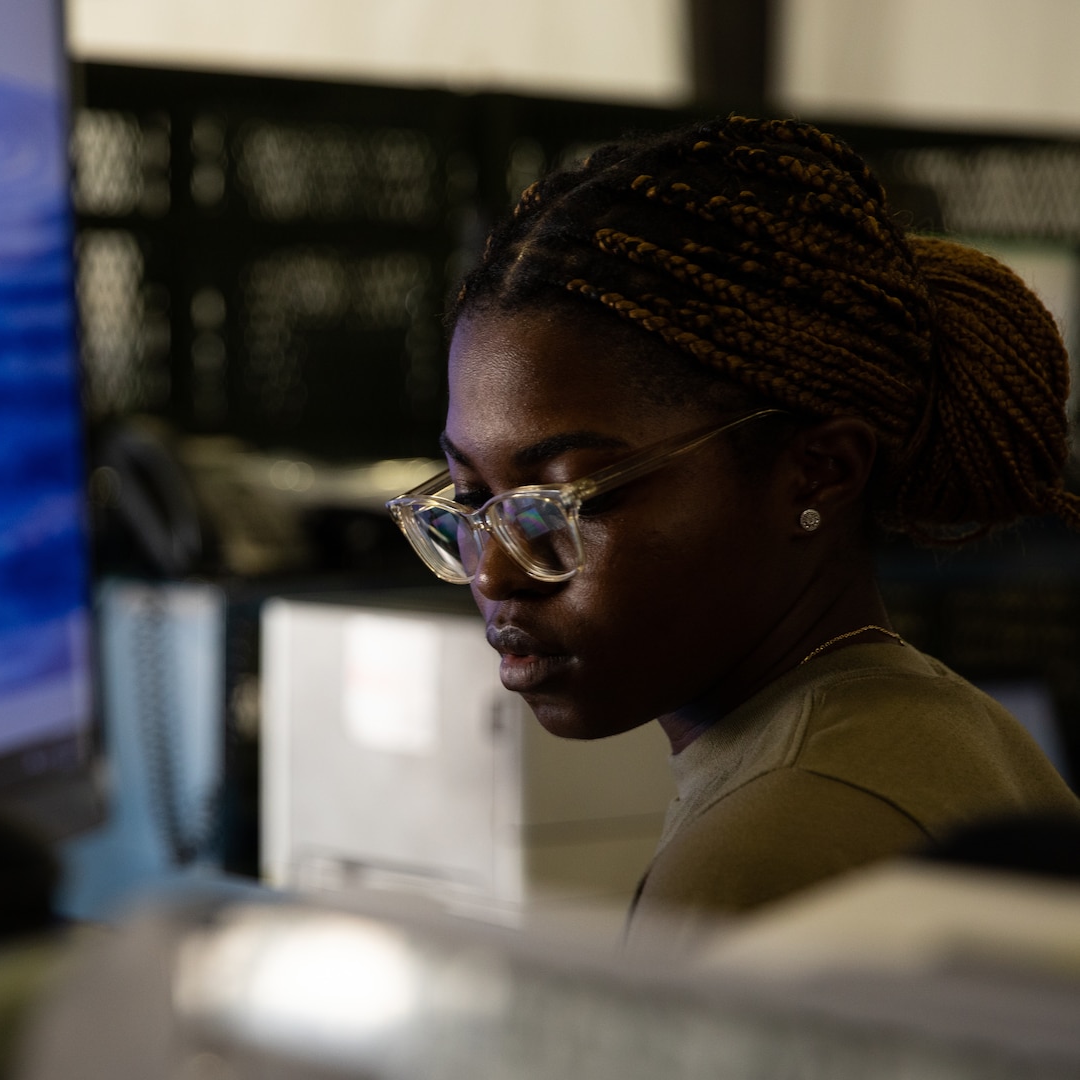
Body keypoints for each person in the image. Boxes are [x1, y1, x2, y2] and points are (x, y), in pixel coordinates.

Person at [386, 115, 1080, 938]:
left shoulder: (770, 850)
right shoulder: (945, 730)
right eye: (470, 501)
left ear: (817, 472)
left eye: (562, 502)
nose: (493, 574)